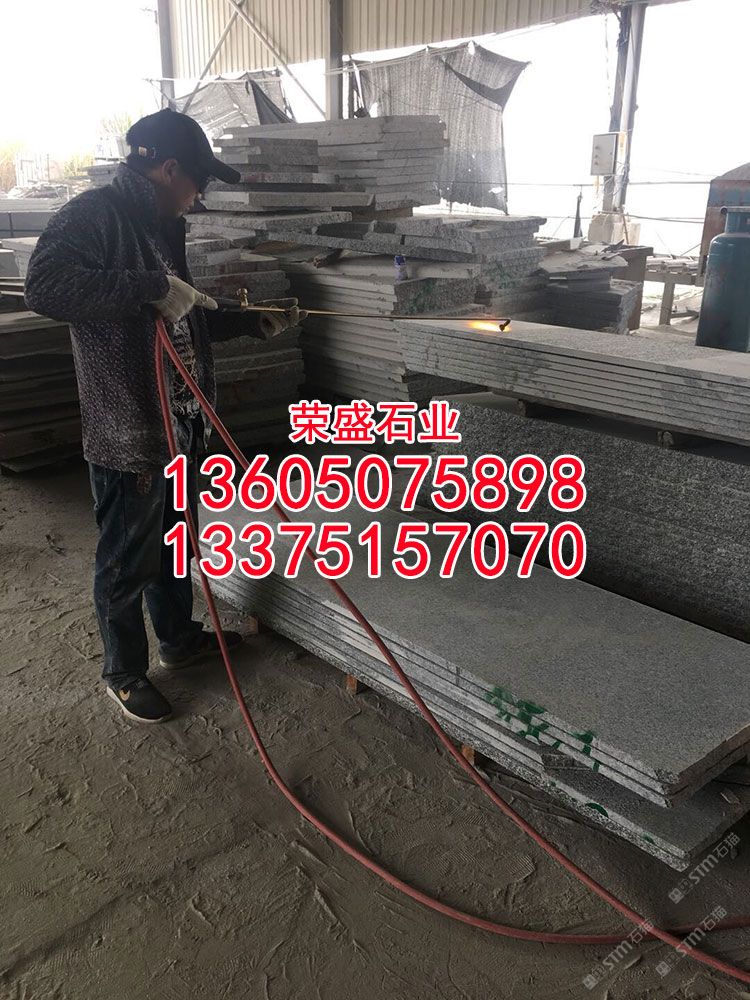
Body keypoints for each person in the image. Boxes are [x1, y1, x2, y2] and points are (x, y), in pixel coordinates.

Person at [25, 108, 302, 724]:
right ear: (169, 168)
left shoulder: (160, 222)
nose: (199, 195)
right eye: (197, 181)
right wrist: (150, 286)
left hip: (180, 426)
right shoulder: (95, 214)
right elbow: (44, 287)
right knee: (128, 557)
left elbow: (175, 316)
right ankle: (123, 672)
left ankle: (178, 640)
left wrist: (244, 321)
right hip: (130, 430)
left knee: (176, 545)